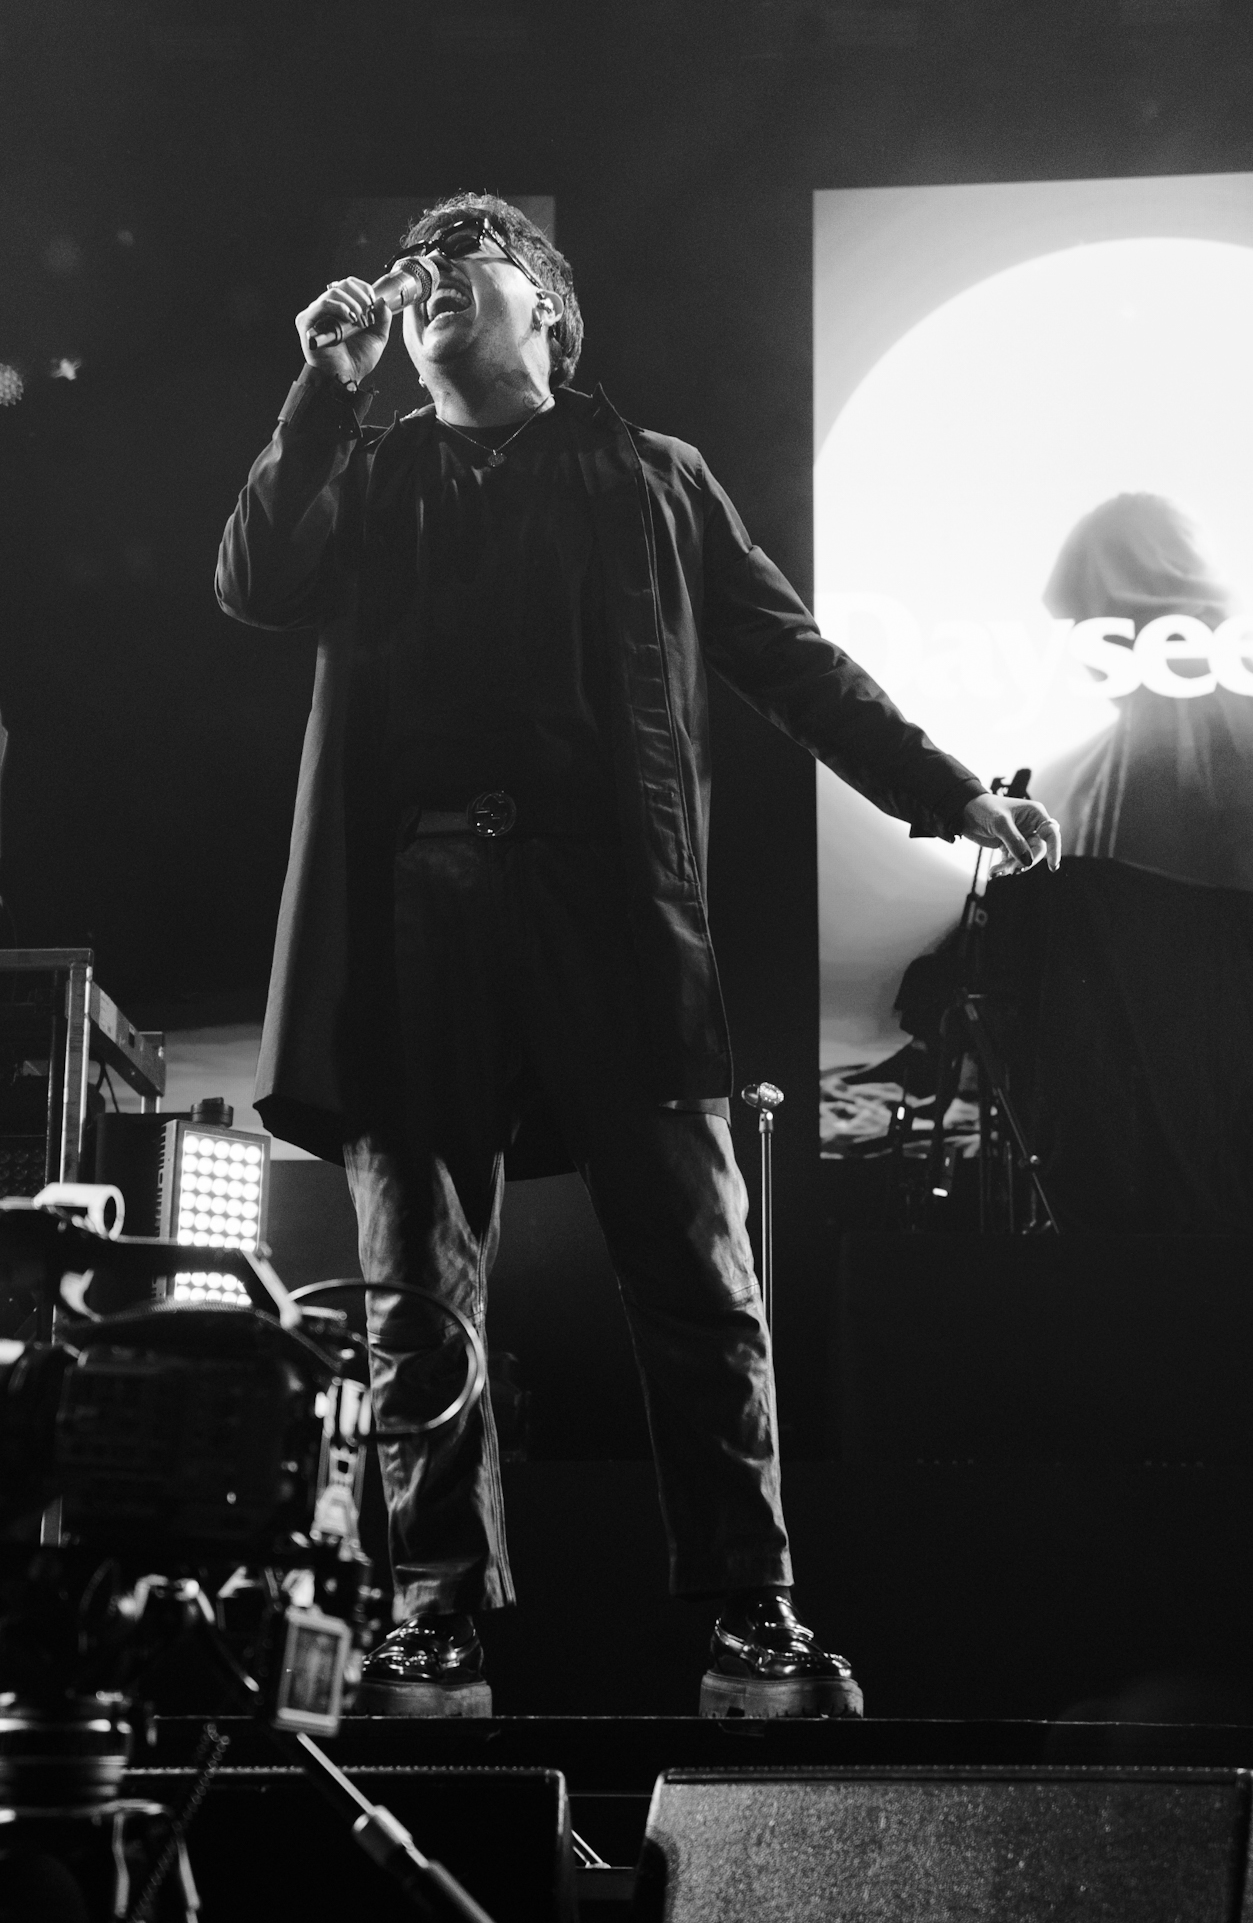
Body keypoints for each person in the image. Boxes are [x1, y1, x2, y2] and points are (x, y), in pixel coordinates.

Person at [217, 194, 1060, 1718]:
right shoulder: (368, 465)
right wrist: (317, 396)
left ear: (543, 305)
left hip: (608, 913)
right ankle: (430, 1621)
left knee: (695, 1272)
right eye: (412, 275)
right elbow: (255, 582)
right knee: (413, 1294)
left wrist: (945, 792)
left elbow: (786, 656)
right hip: (411, 919)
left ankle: (751, 1620)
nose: (424, 286)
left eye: (462, 263)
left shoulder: (652, 476)